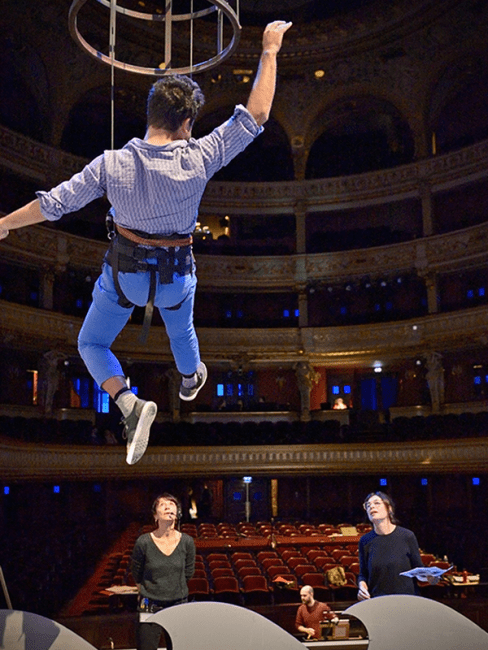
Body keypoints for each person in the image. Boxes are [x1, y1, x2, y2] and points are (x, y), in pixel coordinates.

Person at [0, 20, 292, 466]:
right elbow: (256, 115)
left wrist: (4, 224)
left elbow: (53, 205)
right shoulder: (200, 154)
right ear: (186, 123)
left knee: (92, 344)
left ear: (152, 116)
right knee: (183, 333)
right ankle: (192, 377)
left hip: (125, 278)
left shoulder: (111, 163)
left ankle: (128, 403)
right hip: (176, 281)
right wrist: (269, 48)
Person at [131, 493, 195, 650]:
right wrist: (150, 591)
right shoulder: (144, 542)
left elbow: (189, 572)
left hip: (178, 603)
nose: (168, 507)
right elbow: (136, 573)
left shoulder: (187, 541)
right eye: (162, 505)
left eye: (172, 504)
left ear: (178, 514)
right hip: (149, 604)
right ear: (155, 516)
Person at [357, 491, 438, 600]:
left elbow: (418, 567)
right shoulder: (365, 541)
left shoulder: (407, 536)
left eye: (377, 503)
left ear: (389, 508)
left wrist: (430, 576)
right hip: (378, 601)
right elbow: (363, 574)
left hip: (407, 600)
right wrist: (362, 587)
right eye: (368, 505)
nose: (371, 506)